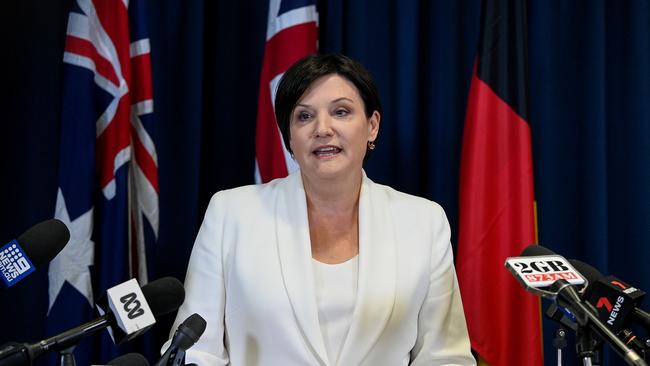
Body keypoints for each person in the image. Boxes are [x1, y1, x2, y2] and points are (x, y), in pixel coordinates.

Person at [166, 53, 475, 366]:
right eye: (304, 117)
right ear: (289, 136)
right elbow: (194, 349)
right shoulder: (231, 214)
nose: (323, 128)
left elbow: (446, 357)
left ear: (372, 126)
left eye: (341, 112)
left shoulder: (422, 222)